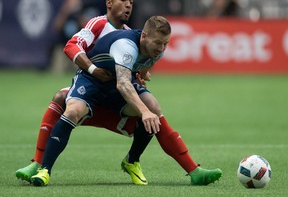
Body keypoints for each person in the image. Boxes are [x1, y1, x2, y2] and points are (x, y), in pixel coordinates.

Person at [30, 16, 222, 186]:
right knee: (73, 111)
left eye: (166, 43)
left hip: (116, 83)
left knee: (154, 107)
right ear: (144, 36)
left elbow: (142, 66)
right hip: (94, 81)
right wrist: (143, 111)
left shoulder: (156, 49)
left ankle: (136, 161)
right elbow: (123, 84)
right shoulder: (126, 46)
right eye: (158, 43)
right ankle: (44, 170)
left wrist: (144, 74)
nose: (162, 48)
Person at [15, 0, 134, 182]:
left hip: (113, 94)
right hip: (91, 87)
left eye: (131, 1)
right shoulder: (98, 23)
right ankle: (39, 164)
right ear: (109, 3)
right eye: (123, 0)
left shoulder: (130, 33)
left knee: (152, 113)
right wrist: (93, 69)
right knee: (61, 97)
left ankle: (142, 161)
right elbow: (71, 45)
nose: (129, 4)